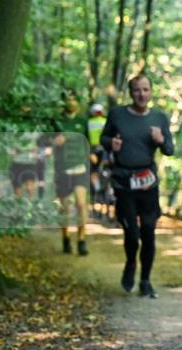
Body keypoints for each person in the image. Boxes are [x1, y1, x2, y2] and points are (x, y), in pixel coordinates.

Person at [100, 74, 174, 298]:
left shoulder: (159, 117)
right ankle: (131, 262)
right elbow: (103, 138)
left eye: (145, 89)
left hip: (148, 182)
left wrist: (161, 140)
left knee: (148, 231)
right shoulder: (118, 115)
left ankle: (145, 281)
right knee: (132, 233)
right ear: (130, 93)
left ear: (151, 92)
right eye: (137, 90)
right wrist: (111, 143)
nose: (141, 94)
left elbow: (170, 150)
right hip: (124, 182)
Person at [42, 95, 91, 255]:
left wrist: (93, 157)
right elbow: (43, 142)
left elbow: (89, 142)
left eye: (73, 99)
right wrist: (54, 141)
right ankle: (66, 238)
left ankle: (82, 240)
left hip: (80, 168)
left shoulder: (83, 121)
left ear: (78, 102)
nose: (71, 102)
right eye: (68, 99)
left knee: (81, 204)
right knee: (65, 207)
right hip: (62, 170)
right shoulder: (56, 122)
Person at [87, 103, 108, 218]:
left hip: (96, 151)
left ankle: (98, 187)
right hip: (101, 150)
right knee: (97, 173)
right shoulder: (105, 121)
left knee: (94, 173)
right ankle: (100, 189)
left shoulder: (89, 122)